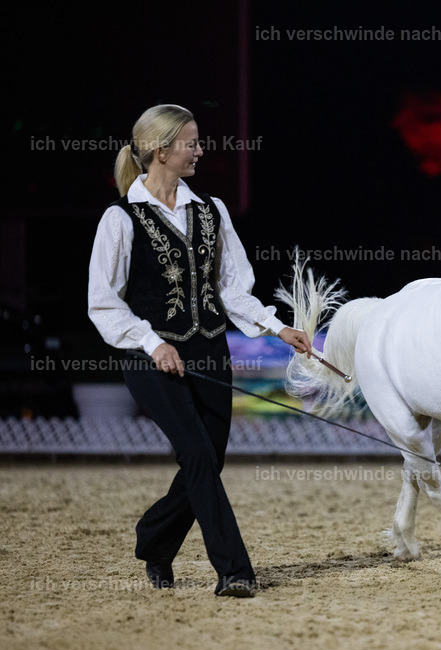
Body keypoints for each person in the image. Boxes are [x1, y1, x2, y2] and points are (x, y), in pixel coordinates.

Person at [87, 104, 310, 597]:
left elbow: (232, 289)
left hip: (210, 352)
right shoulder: (120, 218)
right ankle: (234, 570)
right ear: (161, 151)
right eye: (191, 143)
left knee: (209, 459)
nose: (200, 151)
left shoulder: (211, 211)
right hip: (152, 359)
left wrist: (277, 328)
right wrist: (152, 342)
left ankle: (154, 538)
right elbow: (103, 304)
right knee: (197, 455)